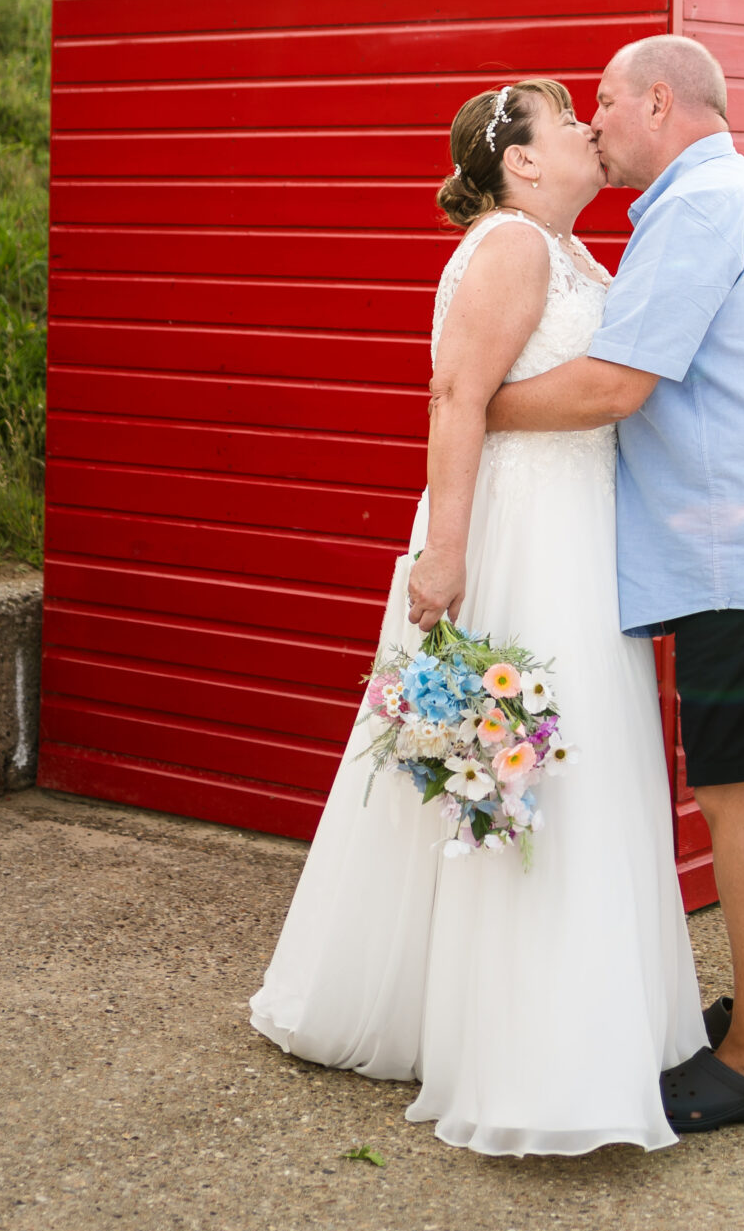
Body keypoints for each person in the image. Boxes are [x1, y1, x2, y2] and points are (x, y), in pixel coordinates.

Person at [249, 78, 703, 1156]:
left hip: (577, 530)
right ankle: (527, 1045)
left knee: (549, 760)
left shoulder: (560, 248)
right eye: (564, 123)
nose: (589, 129)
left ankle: (569, 1015)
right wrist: (444, 551)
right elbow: (458, 399)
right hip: (520, 533)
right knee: (524, 761)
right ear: (523, 162)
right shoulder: (512, 249)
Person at [484, 33, 744, 1134]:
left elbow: (615, 384)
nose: (597, 124)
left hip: (738, 552)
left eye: (605, 103)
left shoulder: (699, 208)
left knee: (743, 793)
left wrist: (478, 409)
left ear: (659, 100)